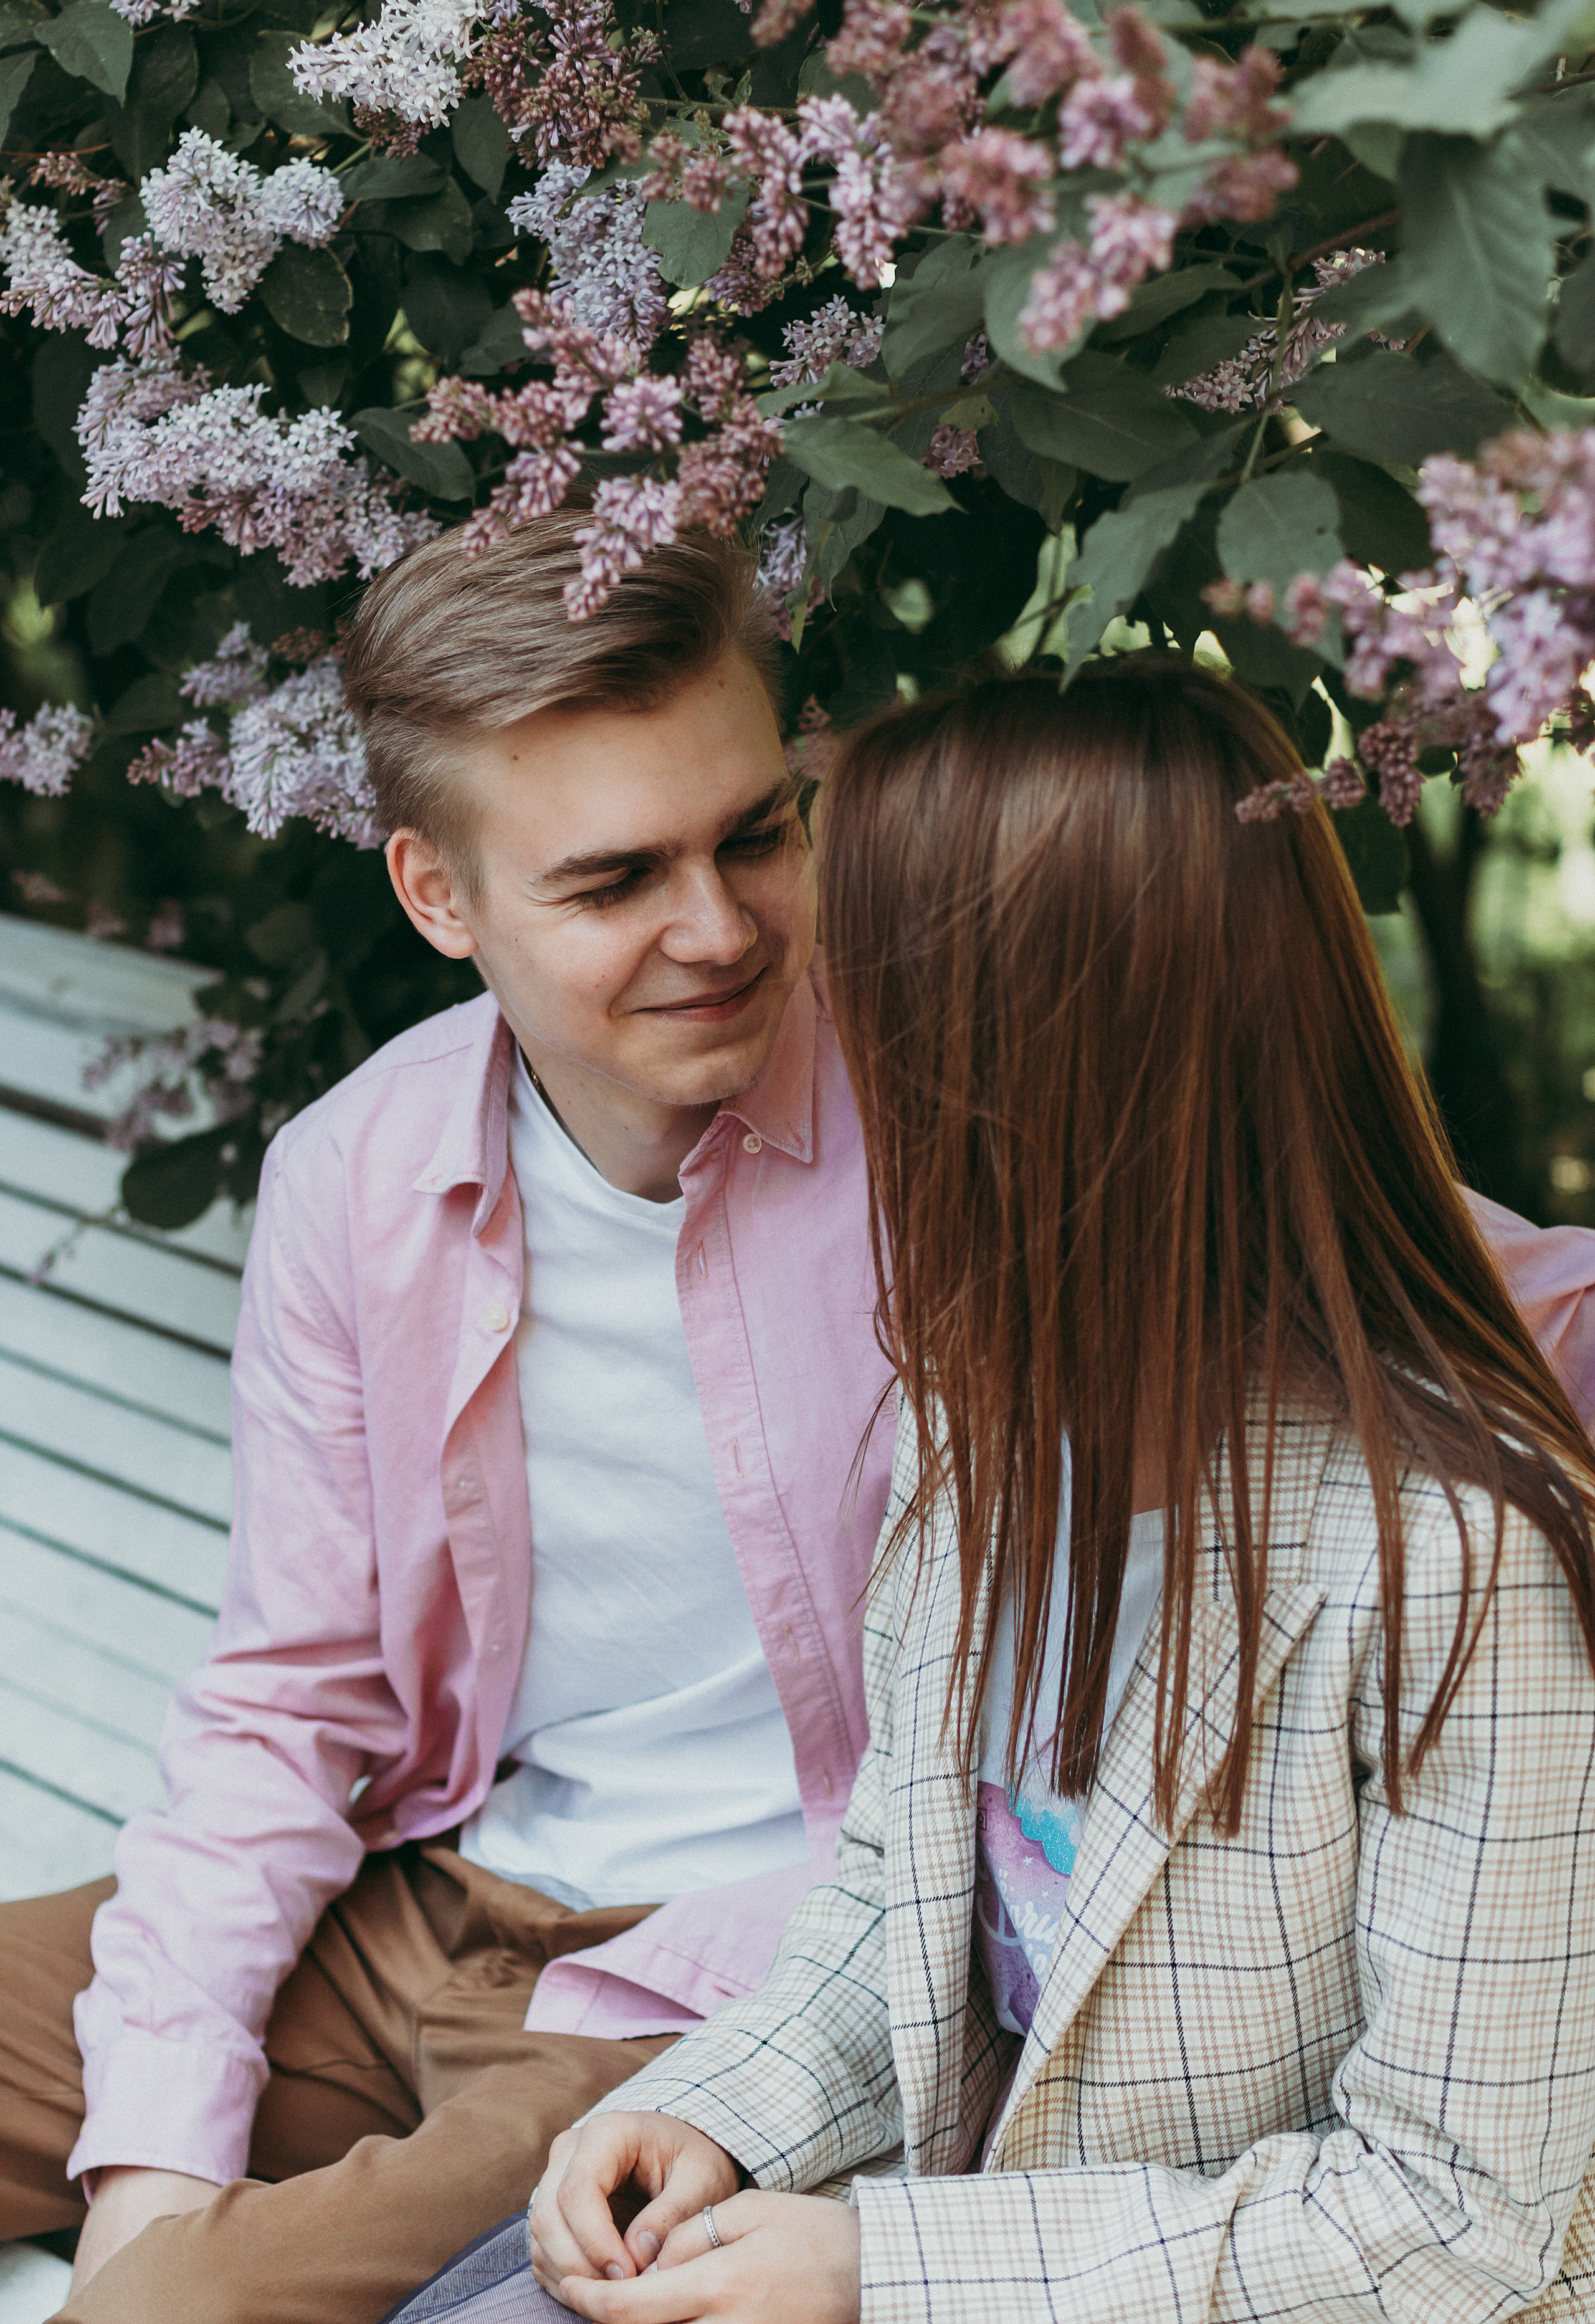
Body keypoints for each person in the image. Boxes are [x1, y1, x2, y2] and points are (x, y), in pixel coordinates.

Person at [503, 658, 1595, 2324]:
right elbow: (898, 1901)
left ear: (1018, 1072)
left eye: (867, 1002)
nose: (825, 1049)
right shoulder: (981, 1427)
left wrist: (887, 2269)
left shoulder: (1460, 1559)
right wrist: (712, 2113)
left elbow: (1455, 2218)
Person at [0, 514, 898, 2323]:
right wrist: (152, 2153)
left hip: (728, 1990)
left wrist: (153, 2268)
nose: (719, 930)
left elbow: (1433, 1287)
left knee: (166, 2320)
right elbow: (293, 1697)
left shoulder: (962, 1108)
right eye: (614, 881)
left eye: (755, 834)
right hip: (432, 1896)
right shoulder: (363, 1174)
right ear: (437, 897)